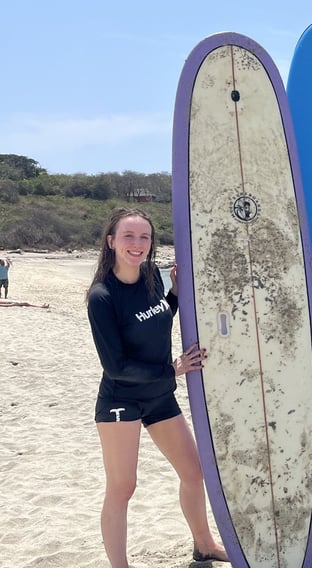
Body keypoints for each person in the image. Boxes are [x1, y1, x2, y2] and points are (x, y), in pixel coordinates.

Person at [86, 208, 227, 567]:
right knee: (123, 487)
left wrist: (177, 295)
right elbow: (115, 367)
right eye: (129, 236)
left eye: (144, 237)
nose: (137, 244)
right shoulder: (102, 297)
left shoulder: (151, 277)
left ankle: (204, 544)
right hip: (121, 400)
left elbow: (157, 317)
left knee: (194, 473)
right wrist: (174, 369)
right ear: (111, 242)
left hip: (159, 396)